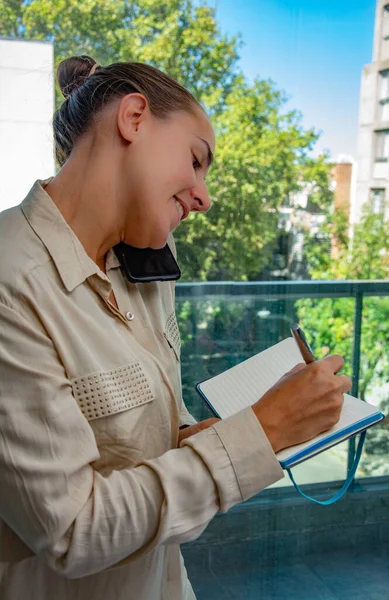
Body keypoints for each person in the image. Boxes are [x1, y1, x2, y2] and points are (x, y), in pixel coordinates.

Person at [0, 55, 351, 600]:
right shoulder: (11, 283)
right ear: (134, 118)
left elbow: (144, 432)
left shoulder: (146, 268)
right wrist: (264, 430)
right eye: (196, 160)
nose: (204, 198)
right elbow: (71, 531)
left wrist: (199, 434)